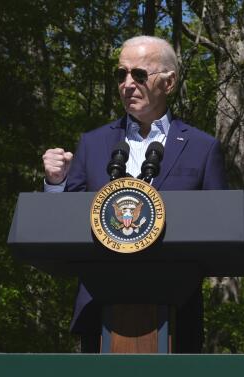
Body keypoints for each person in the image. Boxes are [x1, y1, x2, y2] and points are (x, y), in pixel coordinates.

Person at [42, 35, 228, 352]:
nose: (127, 84)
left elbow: (220, 228)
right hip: (99, 309)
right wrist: (56, 183)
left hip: (176, 312)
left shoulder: (201, 148)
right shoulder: (93, 143)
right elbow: (64, 224)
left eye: (139, 75)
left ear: (168, 83)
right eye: (121, 74)